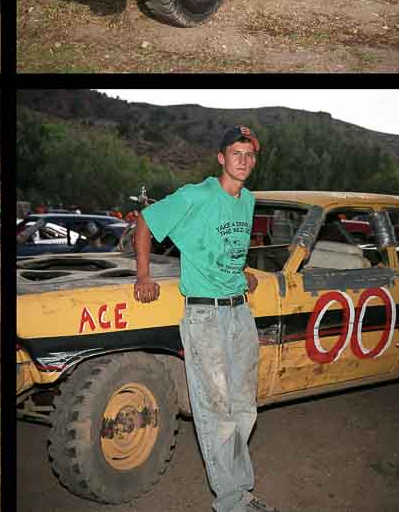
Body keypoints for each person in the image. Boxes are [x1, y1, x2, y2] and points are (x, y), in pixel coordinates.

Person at [133, 126, 280, 512]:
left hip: (239, 312)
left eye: (249, 155)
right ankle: (232, 502)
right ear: (221, 157)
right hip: (204, 315)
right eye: (236, 153)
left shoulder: (248, 200)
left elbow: (228, 247)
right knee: (217, 412)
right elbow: (146, 222)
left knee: (244, 408)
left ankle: (242, 490)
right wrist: (144, 275)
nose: (243, 161)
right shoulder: (196, 195)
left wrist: (242, 273)